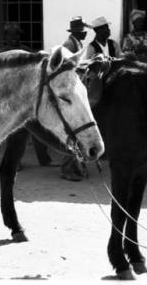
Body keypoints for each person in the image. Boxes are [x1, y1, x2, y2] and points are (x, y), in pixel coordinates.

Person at [0, 22, 54, 169]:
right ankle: (16, 162)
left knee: (38, 128)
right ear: (5, 36)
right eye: (10, 34)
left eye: (16, 34)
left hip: (29, 96)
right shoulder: (1, 53)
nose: (13, 37)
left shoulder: (26, 51)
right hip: (12, 98)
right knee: (14, 133)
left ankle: (44, 158)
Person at [60, 16, 90, 181]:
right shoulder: (69, 45)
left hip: (75, 89)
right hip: (70, 92)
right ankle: (67, 168)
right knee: (73, 131)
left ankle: (77, 165)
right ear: (79, 32)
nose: (86, 34)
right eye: (84, 31)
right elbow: (68, 69)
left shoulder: (75, 43)